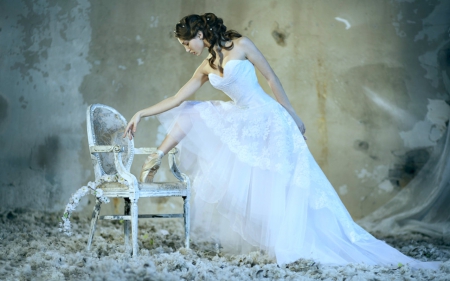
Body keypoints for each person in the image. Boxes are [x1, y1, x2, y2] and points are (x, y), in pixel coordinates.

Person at [123, 13, 440, 269]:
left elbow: (271, 78)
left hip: (269, 118)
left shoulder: (242, 44)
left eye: (185, 43)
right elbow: (178, 97)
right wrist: (142, 112)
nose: (186, 48)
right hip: (241, 117)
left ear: (199, 35)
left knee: (284, 180)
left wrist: (293, 114)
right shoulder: (205, 66)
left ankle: (296, 238)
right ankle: (157, 157)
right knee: (191, 110)